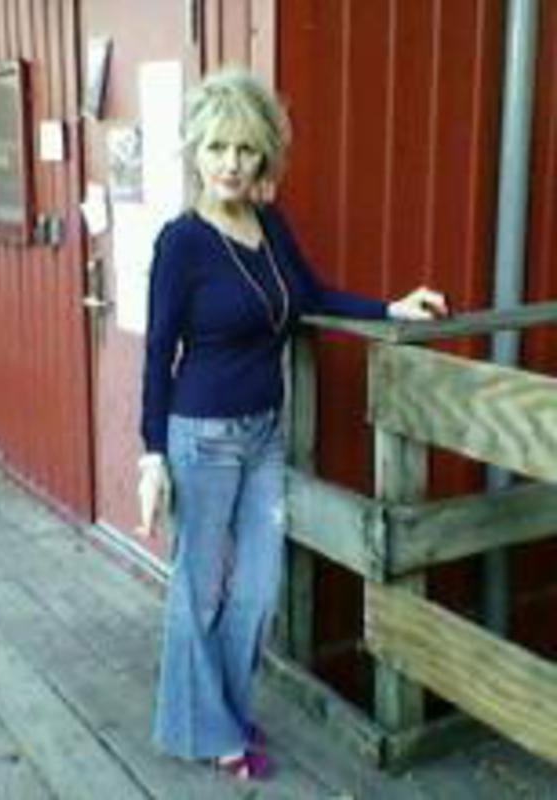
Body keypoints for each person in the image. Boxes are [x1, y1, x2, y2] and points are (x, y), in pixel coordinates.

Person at [138, 65, 448, 781]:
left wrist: (390, 308)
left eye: (246, 149)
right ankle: (210, 730)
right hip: (202, 437)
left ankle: (221, 708)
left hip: (263, 435)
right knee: (199, 587)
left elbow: (310, 296)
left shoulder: (268, 225)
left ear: (264, 156)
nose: (231, 163)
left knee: (257, 587)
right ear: (196, 151)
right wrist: (152, 453)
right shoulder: (181, 242)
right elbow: (158, 351)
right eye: (217, 148)